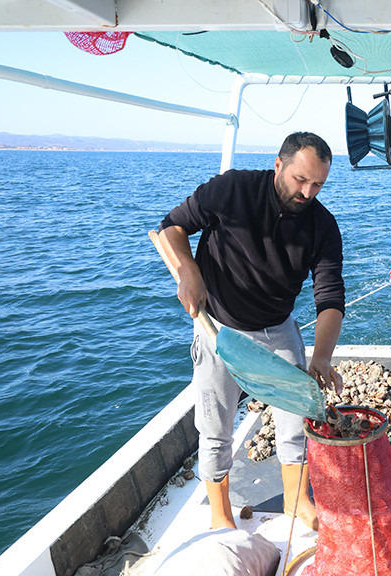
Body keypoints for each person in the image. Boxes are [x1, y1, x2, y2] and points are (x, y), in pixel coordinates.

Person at [157, 132, 345, 531]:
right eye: (300, 179)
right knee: (215, 427)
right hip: (218, 330)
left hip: (278, 330)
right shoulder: (233, 189)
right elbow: (173, 227)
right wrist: (189, 273)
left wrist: (323, 356)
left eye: (318, 185)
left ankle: (295, 499)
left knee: (299, 419)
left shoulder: (323, 226)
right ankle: (220, 515)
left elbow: (330, 299)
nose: (308, 192)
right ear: (279, 165)